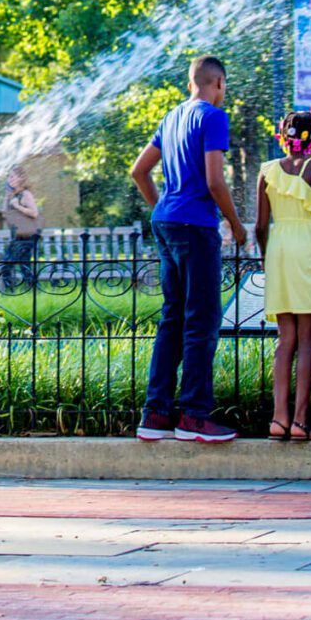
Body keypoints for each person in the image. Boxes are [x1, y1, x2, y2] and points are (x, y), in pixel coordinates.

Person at [130, 55, 246, 443]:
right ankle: (195, 416)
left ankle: (156, 412)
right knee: (202, 320)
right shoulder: (213, 117)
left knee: (172, 318)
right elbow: (215, 181)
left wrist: (163, 206)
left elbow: (138, 171)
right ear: (219, 83)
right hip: (196, 226)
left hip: (166, 221)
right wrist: (235, 222)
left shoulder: (172, 116)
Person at [254, 112, 311, 441]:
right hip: (309, 246)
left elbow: (260, 225)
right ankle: (301, 421)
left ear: (284, 137)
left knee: (284, 340)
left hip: (280, 248)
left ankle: (278, 419)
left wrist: (264, 255)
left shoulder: (267, 171)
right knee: (307, 340)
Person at [0, 167, 43, 293]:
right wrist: (7, 197)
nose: (9, 179)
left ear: (20, 178)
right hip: (18, 236)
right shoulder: (13, 195)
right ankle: (22, 291)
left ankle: (29, 291)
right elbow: (5, 214)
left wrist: (17, 206)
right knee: (12, 264)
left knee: (18, 265)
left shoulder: (26, 194)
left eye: (12, 177)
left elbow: (34, 213)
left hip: (28, 236)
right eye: (8, 177)